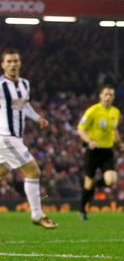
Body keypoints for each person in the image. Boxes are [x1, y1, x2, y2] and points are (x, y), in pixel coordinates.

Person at [0, 48, 58, 229]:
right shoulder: (0, 86)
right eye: (8, 61)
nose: (12, 64)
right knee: (33, 171)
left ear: (20, 63)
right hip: (5, 137)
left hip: (16, 137)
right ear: (2, 65)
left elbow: (24, 106)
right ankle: (37, 214)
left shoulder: (25, 84)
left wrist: (37, 118)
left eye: (15, 61)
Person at [78, 84, 124, 220]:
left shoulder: (115, 112)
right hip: (93, 151)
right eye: (106, 94)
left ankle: (93, 186)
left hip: (107, 151)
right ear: (100, 95)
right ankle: (82, 210)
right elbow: (81, 129)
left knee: (111, 181)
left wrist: (120, 143)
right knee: (88, 183)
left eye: (111, 95)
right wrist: (89, 141)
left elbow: (114, 130)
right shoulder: (92, 111)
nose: (108, 97)